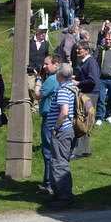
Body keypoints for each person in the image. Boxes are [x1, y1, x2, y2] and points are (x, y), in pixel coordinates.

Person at [45, 62, 77, 209]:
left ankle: (65, 197)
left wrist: (55, 128)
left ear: (59, 74)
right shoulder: (72, 87)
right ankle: (60, 195)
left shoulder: (63, 90)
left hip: (62, 131)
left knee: (59, 163)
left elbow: (64, 112)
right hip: (67, 130)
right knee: (57, 162)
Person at [32, 54, 61, 195]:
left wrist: (37, 80)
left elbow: (37, 95)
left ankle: (49, 183)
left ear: (56, 64)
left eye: (46, 64)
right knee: (51, 151)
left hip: (49, 118)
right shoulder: (59, 78)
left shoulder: (51, 79)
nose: (44, 66)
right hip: (56, 118)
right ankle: (48, 181)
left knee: (48, 151)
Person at [71, 40, 98, 158]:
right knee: (85, 121)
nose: (77, 51)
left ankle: (77, 152)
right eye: (77, 49)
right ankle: (85, 150)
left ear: (87, 51)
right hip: (87, 93)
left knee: (81, 121)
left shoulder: (90, 62)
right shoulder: (84, 62)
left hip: (89, 94)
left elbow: (93, 80)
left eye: (79, 49)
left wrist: (78, 82)